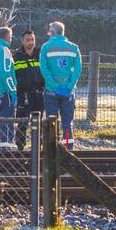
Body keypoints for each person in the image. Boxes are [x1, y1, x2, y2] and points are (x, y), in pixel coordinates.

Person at [40, 21, 82, 149]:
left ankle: (51, 150)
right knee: (67, 122)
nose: (48, 34)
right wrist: (68, 87)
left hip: (51, 91)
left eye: (49, 31)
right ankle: (68, 149)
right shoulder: (74, 47)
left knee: (51, 122)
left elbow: (44, 69)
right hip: (68, 92)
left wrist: (54, 85)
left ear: (53, 32)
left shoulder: (46, 47)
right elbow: (78, 70)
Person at [13, 29, 44, 151]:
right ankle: (20, 147)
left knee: (39, 123)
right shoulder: (16, 56)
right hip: (23, 95)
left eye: (32, 40)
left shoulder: (40, 54)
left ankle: (38, 148)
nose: (30, 42)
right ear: (22, 41)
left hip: (38, 94)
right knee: (22, 123)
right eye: (28, 40)